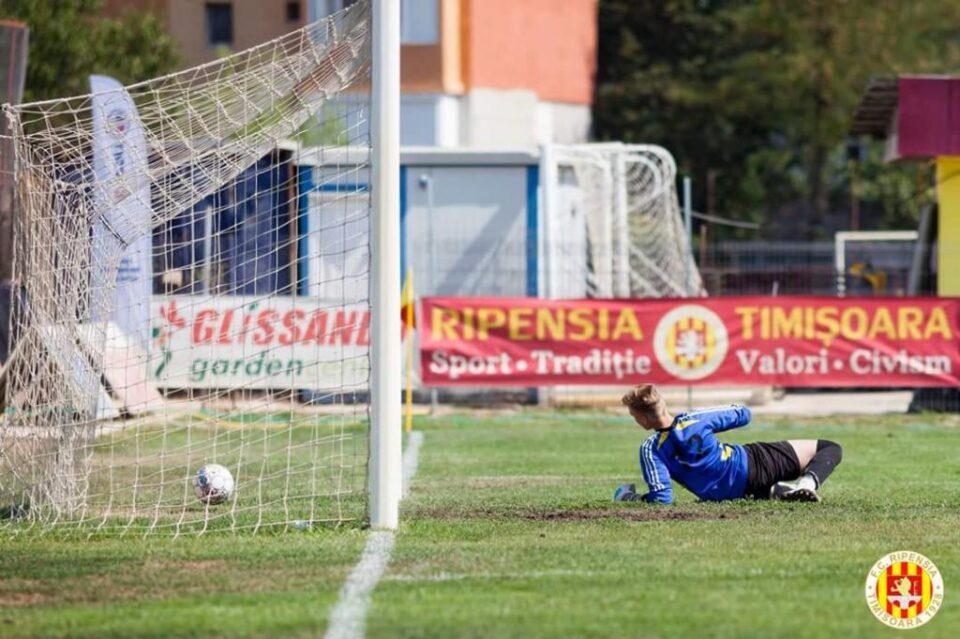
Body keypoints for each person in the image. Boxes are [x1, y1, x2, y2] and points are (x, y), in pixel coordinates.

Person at [613, 384, 842, 504]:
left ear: (642, 419)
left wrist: (629, 497)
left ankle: (778, 492)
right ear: (663, 404)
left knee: (762, 490)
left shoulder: (651, 449)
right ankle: (806, 485)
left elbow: (662, 499)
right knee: (829, 447)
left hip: (726, 495)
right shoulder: (694, 420)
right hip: (755, 465)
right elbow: (743, 414)